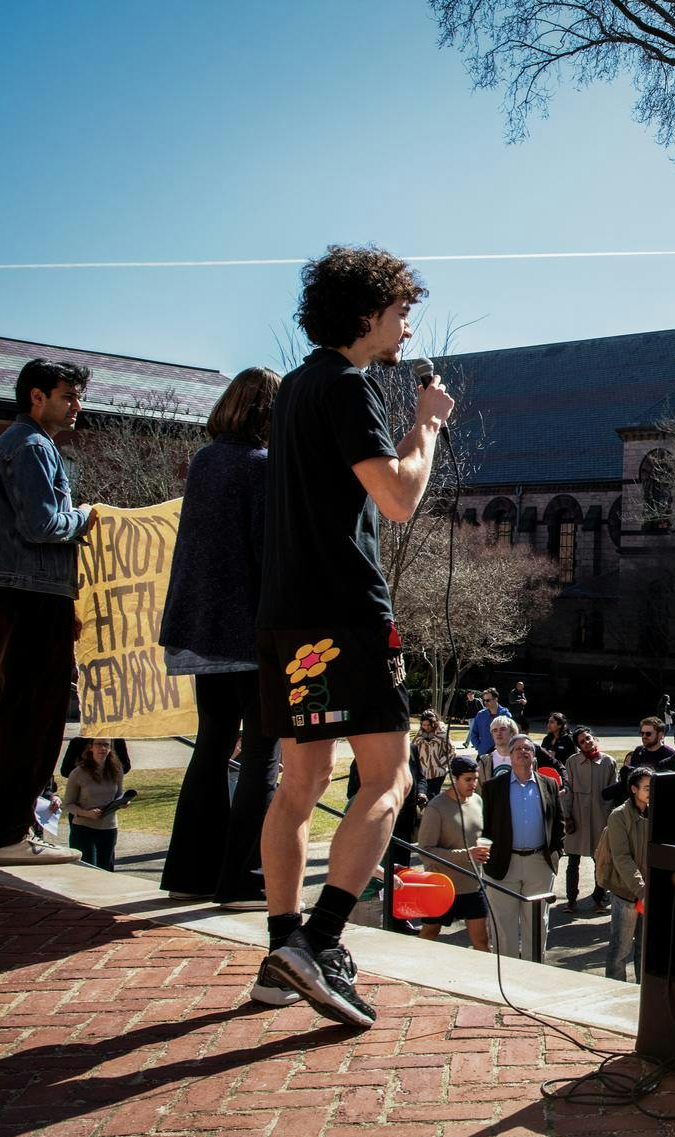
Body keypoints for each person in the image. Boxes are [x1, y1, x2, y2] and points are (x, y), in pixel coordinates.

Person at [248, 246, 452, 1026]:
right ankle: (321, 942)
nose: (407, 326)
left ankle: (279, 952)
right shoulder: (348, 387)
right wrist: (425, 427)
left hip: (289, 615)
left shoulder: (293, 388)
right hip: (345, 612)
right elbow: (397, 497)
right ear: (367, 314)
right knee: (389, 779)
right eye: (401, 312)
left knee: (299, 786)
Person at [0, 358, 99, 866]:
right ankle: (11, 835)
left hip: (0, 592)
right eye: (68, 396)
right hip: (34, 596)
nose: (77, 405)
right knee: (31, 716)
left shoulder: (7, 445)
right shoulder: (34, 446)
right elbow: (42, 524)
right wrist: (83, 516)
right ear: (37, 397)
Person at [480, 735, 565, 962]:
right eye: (517, 748)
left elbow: (558, 823)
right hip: (502, 865)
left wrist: (556, 852)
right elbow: (483, 826)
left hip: (539, 863)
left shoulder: (549, 785)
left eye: (527, 748)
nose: (522, 751)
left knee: (537, 925)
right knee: (503, 926)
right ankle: (507, 978)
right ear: (509, 754)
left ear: (534, 755)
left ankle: (534, 974)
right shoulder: (492, 788)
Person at [415, 756, 489, 951]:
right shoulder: (436, 808)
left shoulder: (477, 801)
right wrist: (467, 854)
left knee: (482, 940)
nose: (473, 784)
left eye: (475, 779)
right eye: (468, 779)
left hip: (473, 885)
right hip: (441, 886)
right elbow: (425, 851)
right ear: (453, 779)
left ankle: (486, 979)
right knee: (430, 932)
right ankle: (411, 970)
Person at [597, 766, 653, 982]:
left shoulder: (657, 812)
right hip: (626, 892)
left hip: (648, 892)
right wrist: (642, 891)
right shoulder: (619, 816)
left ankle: (642, 993)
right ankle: (614, 990)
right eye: (647, 788)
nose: (651, 792)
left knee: (645, 949)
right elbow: (622, 858)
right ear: (633, 789)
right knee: (620, 949)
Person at [561, 726, 617, 912]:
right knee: (573, 861)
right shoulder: (572, 762)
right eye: (582, 741)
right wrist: (567, 816)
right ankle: (571, 900)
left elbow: (613, 792)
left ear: (594, 738)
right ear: (578, 746)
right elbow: (567, 791)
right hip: (577, 817)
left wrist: (610, 819)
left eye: (588, 738)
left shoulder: (608, 762)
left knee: (599, 860)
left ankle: (598, 899)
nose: (587, 742)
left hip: (600, 818)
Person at [60, 738, 127, 871]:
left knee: (105, 870)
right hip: (84, 828)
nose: (102, 748)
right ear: (91, 747)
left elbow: (118, 794)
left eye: (106, 745)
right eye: (99, 744)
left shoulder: (117, 770)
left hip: (109, 828)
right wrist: (87, 813)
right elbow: (68, 804)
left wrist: (122, 802)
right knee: (87, 870)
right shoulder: (78, 773)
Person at [465, 689, 507, 755]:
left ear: (496, 699)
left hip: (502, 755)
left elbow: (511, 734)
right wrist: (479, 747)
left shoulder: (505, 715)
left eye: (488, 700)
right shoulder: (480, 715)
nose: (485, 702)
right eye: (484, 700)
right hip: (484, 754)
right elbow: (473, 734)